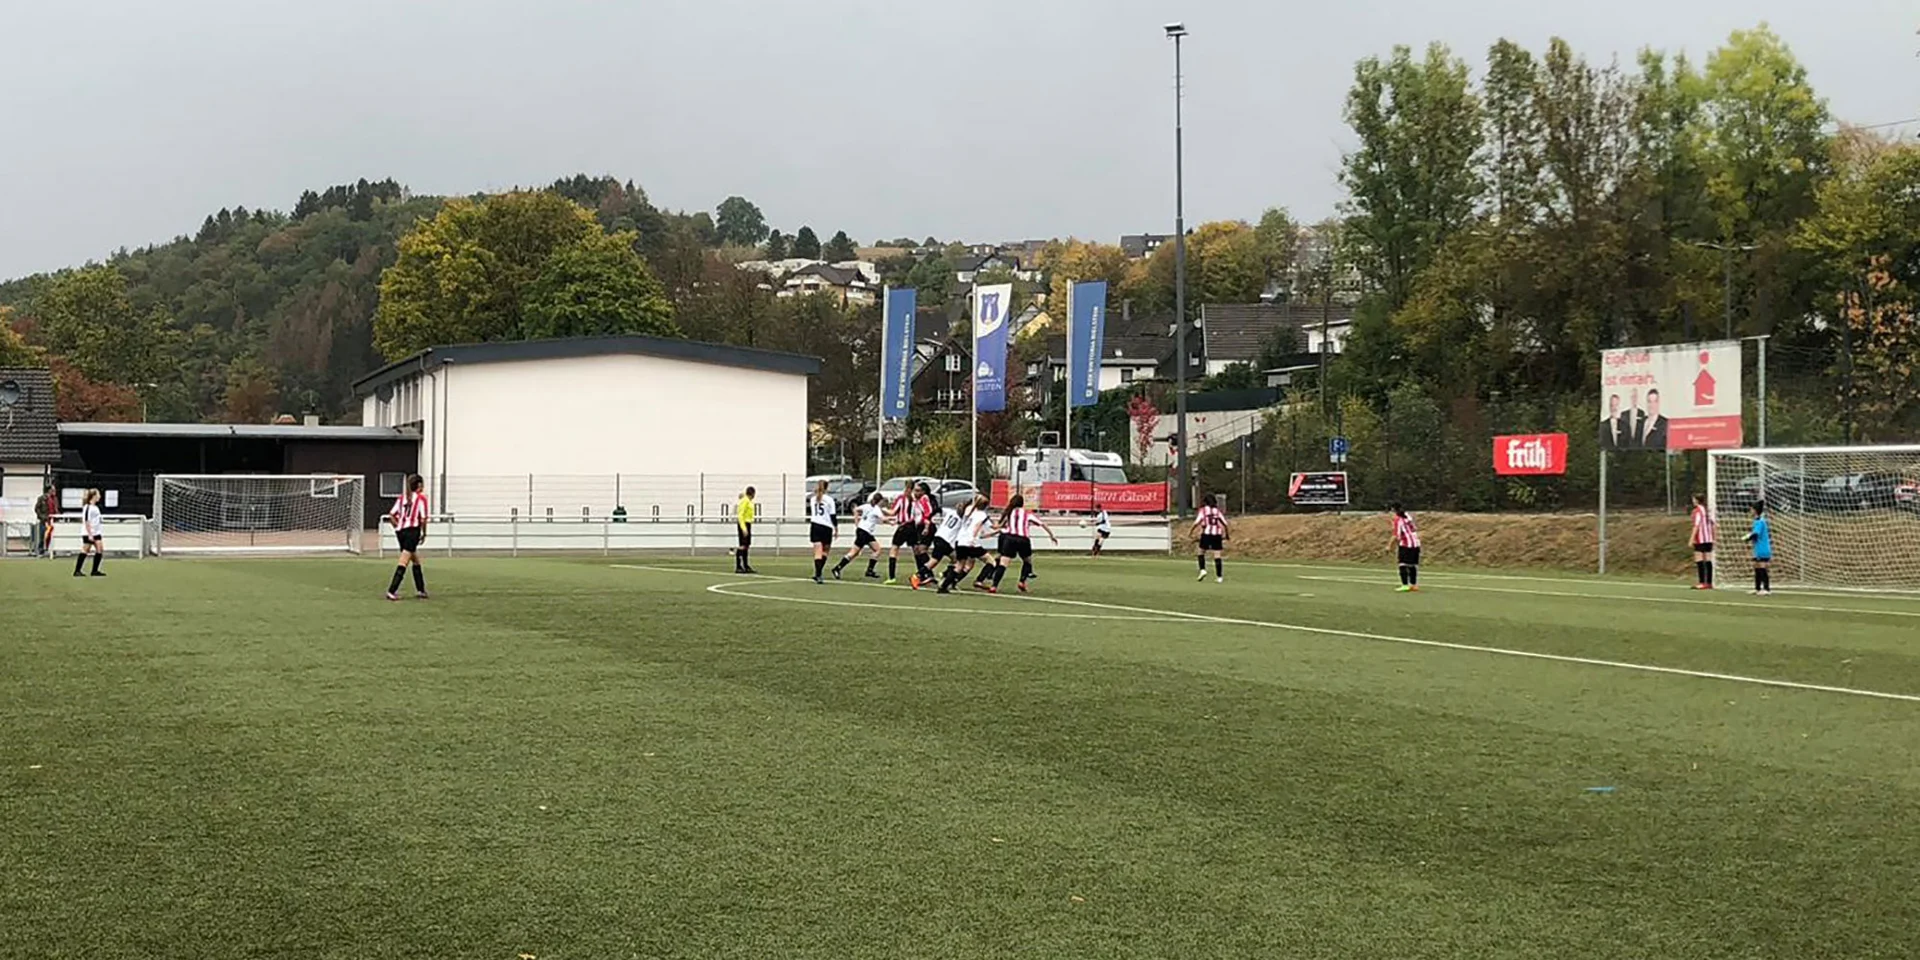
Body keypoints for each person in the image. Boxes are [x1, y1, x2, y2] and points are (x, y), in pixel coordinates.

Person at [988, 494, 1057, 594]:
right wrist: (1051, 535)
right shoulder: (1027, 513)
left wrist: (991, 530)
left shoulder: (1009, 512)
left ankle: (994, 586)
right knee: (1027, 561)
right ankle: (1022, 581)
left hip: (1010, 538)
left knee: (1003, 563)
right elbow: (1042, 524)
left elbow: (1000, 526)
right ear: (1022, 503)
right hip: (1023, 539)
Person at [385, 474, 430, 601]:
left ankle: (421, 590)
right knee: (404, 561)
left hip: (401, 532)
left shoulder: (402, 498)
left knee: (415, 560)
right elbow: (423, 519)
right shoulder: (421, 499)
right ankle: (391, 590)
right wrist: (424, 533)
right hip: (412, 532)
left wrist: (398, 527)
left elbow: (391, 515)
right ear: (419, 485)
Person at [942, 495, 996, 594]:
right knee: (991, 562)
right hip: (970, 543)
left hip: (960, 541)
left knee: (960, 565)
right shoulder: (982, 515)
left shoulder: (969, 511)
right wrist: (972, 539)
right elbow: (977, 526)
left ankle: (944, 586)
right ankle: (979, 580)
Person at [832, 493, 888, 580]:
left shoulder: (866, 506)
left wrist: (857, 521)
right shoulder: (876, 509)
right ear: (879, 501)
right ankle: (837, 568)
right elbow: (883, 519)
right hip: (864, 532)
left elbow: (856, 509)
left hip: (864, 531)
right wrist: (894, 519)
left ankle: (869, 571)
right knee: (854, 552)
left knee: (877, 550)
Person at [917, 499, 968, 590]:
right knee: (935, 561)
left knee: (954, 559)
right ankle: (918, 576)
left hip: (938, 537)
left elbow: (937, 509)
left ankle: (946, 576)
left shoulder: (950, 512)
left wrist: (929, 516)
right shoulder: (963, 520)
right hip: (945, 540)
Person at [1191, 494, 1229, 583]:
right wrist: (1227, 534)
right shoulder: (1217, 511)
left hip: (1207, 534)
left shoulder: (1203, 510)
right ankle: (1219, 577)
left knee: (1201, 552)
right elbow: (1225, 524)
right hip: (1217, 534)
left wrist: (1191, 532)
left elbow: (1196, 522)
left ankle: (1203, 570)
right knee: (1217, 555)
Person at [806, 479, 837, 584]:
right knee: (825, 551)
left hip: (815, 526)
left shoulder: (813, 499)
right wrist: (836, 527)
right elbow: (833, 516)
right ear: (827, 488)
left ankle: (817, 574)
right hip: (826, 527)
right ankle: (818, 573)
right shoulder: (829, 500)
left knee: (817, 551)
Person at [73, 489, 105, 577]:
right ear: (94, 496)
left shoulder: (95, 507)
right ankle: (77, 570)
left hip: (96, 532)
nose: (99, 496)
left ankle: (95, 571)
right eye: (98, 494)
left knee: (100, 549)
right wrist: (90, 534)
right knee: (85, 550)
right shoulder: (87, 507)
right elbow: (87, 521)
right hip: (89, 533)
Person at [1391, 502, 1421, 592]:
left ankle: (1405, 585)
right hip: (1416, 543)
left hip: (1406, 544)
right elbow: (1414, 528)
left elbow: (1396, 535)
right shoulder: (1408, 516)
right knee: (1412, 565)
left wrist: (1389, 546)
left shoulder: (1398, 520)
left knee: (1402, 564)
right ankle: (1414, 585)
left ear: (1393, 510)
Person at [1744, 501, 1773, 596]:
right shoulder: (1757, 521)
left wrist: (1747, 537)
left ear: (1755, 510)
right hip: (1758, 548)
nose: (1750, 511)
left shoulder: (1760, 521)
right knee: (1756, 567)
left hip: (1762, 548)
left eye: (1752, 509)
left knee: (1762, 567)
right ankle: (1757, 588)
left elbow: (1756, 534)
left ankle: (1766, 588)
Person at [1689, 493, 1717, 590]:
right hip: (1709, 539)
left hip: (1700, 539)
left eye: (1693, 499)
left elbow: (1696, 526)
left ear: (1696, 500)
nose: (1692, 501)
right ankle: (1709, 582)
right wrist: (1714, 537)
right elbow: (1713, 525)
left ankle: (1701, 582)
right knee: (1708, 560)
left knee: (1699, 560)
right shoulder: (1708, 511)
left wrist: (1691, 539)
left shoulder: (1697, 511)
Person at [734, 486, 757, 574]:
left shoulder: (748, 501)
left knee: (746, 546)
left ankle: (746, 565)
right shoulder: (745, 501)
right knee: (743, 545)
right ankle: (738, 566)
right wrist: (743, 528)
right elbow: (740, 515)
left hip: (748, 523)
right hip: (743, 524)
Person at [31, 485, 53, 558]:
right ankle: (41, 550)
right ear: (49, 490)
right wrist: (42, 516)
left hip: (52, 519)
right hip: (44, 520)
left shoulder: (54, 498)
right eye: (52, 490)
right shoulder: (41, 498)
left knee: (51, 535)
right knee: (42, 535)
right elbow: (37, 509)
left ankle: (50, 549)